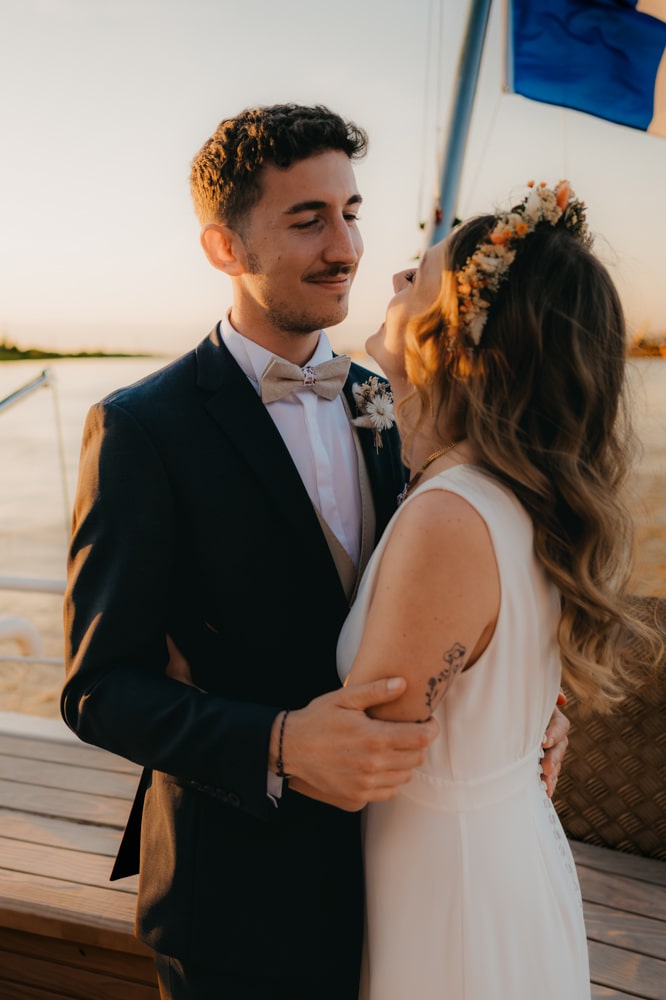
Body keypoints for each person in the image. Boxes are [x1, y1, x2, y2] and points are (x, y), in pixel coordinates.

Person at [61, 105, 568, 999]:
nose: (348, 247)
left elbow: (461, 590)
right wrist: (280, 742)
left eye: (351, 210)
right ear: (226, 248)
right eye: (308, 221)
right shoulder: (144, 428)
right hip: (239, 903)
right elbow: (99, 690)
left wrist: (518, 707)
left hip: (405, 883)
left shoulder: (400, 398)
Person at [337, 181, 663, 999]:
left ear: (455, 337)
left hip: (446, 890)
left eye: (422, 275)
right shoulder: (520, 494)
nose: (395, 276)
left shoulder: (450, 514)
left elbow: (365, 752)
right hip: (494, 850)